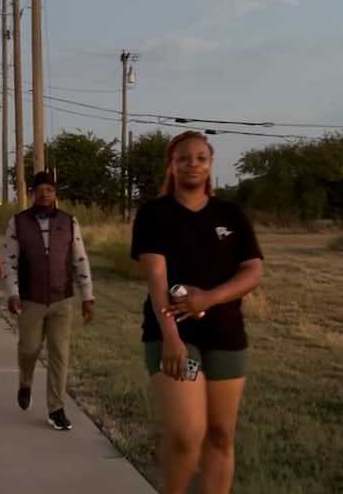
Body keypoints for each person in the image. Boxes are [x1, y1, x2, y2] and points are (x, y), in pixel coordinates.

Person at [131, 131, 263, 494]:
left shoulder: (230, 214)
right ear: (172, 165)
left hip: (225, 337)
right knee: (189, 432)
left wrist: (209, 298)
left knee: (221, 434)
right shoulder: (154, 214)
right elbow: (157, 278)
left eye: (201, 158)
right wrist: (172, 338)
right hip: (176, 340)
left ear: (209, 165)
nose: (193, 164)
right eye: (184, 158)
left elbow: (252, 270)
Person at [2, 171, 95, 431]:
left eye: (50, 190)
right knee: (29, 349)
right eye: (40, 189)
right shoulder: (18, 222)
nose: (45, 193)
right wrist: (12, 293)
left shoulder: (69, 222)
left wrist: (87, 296)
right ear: (32, 194)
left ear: (56, 194)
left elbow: (80, 259)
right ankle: (26, 379)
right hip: (30, 300)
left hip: (62, 299)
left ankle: (56, 408)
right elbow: (9, 261)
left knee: (60, 354)